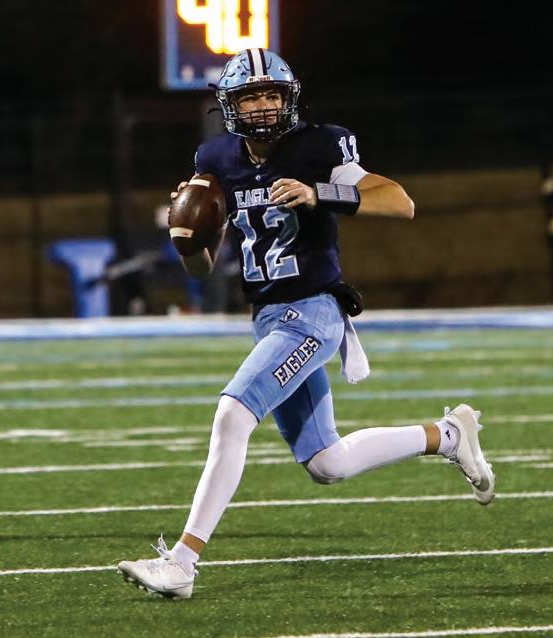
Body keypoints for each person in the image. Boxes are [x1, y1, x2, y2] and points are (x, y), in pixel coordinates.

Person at [118, 48, 495, 599]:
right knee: (327, 463)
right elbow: (202, 267)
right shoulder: (215, 158)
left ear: (290, 98)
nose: (264, 106)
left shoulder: (319, 146)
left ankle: (181, 563)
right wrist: (188, 239)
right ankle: (447, 436)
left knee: (232, 416)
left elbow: (400, 202)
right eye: (251, 97)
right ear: (230, 106)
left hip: (313, 313)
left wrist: (321, 193)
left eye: (272, 94)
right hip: (269, 317)